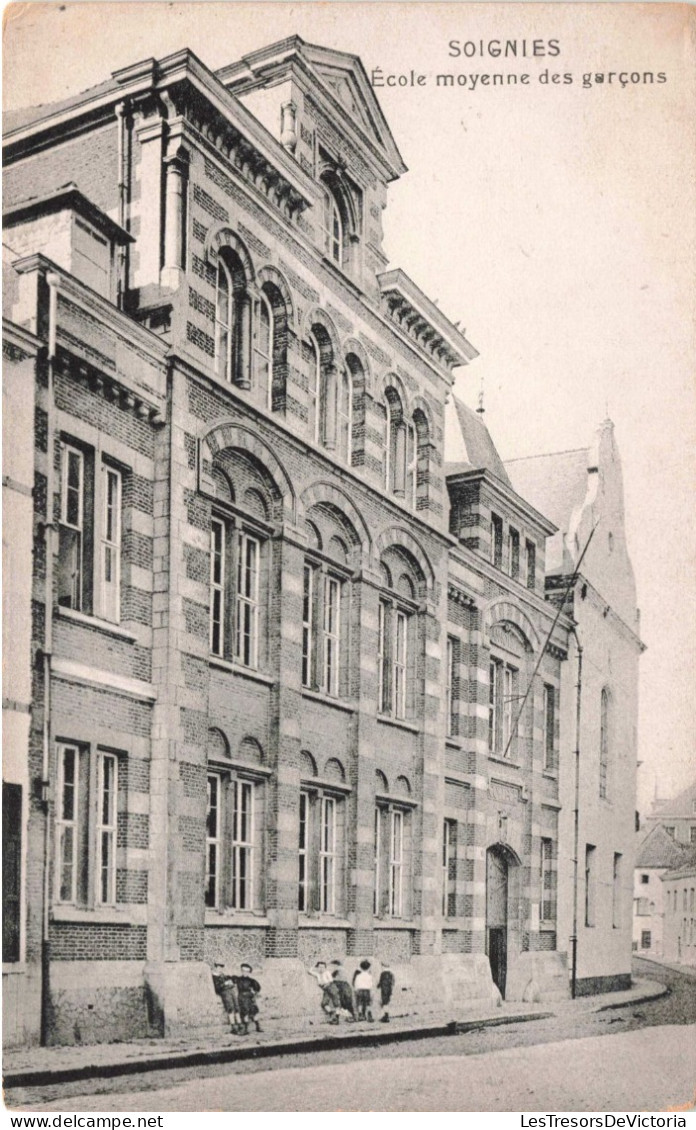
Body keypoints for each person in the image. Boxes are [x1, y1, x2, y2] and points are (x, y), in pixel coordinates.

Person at [232, 962, 262, 1034]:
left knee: (254, 1012)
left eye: (247, 971)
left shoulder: (251, 980)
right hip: (242, 997)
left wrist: (254, 993)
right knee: (244, 1013)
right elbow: (231, 980)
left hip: (249, 997)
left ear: (249, 972)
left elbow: (257, 988)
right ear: (241, 971)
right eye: (243, 971)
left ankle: (258, 1026)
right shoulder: (238, 979)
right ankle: (245, 1029)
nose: (245, 972)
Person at [211, 961, 240, 1033]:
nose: (220, 969)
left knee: (237, 1007)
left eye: (221, 967)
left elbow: (233, 978)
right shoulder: (214, 976)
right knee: (230, 1007)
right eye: (219, 967)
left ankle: (239, 1024)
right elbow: (217, 988)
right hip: (224, 992)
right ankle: (233, 1026)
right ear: (215, 967)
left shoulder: (223, 975)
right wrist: (225, 984)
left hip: (230, 990)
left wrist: (231, 981)